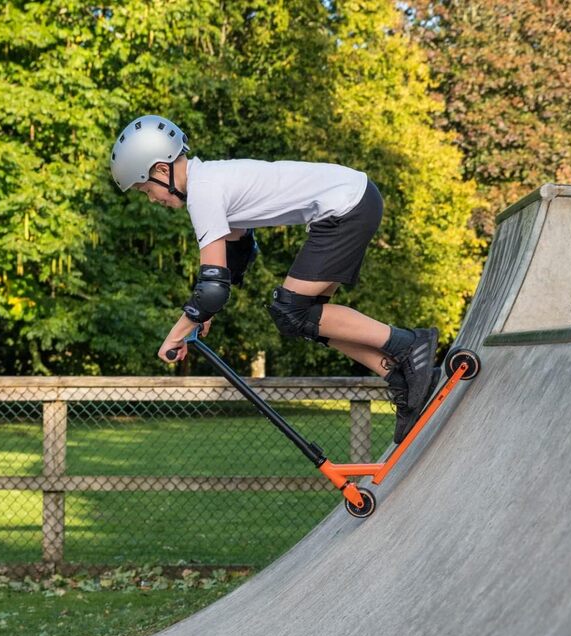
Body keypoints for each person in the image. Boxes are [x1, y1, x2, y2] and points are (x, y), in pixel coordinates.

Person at [110, 114, 440, 443]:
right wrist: (203, 316)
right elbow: (240, 249)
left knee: (290, 309)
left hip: (346, 208)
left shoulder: (203, 191)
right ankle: (399, 376)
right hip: (354, 201)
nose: (152, 199)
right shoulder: (212, 179)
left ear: (162, 170)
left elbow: (212, 289)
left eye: (145, 189)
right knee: (299, 318)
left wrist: (176, 334)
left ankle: (409, 345)